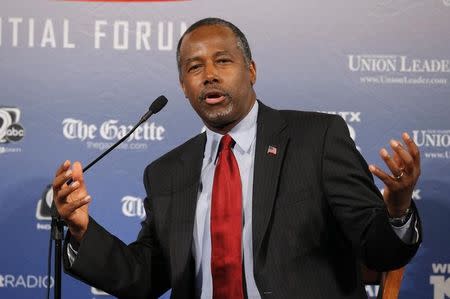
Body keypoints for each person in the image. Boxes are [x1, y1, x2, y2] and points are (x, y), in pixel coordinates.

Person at [53, 17, 422, 299]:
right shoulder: (166, 173)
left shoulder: (317, 139)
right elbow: (145, 276)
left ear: (251, 70)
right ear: (184, 87)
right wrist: (83, 232)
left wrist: (399, 208)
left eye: (223, 61)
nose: (209, 75)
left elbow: (381, 252)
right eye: (194, 68)